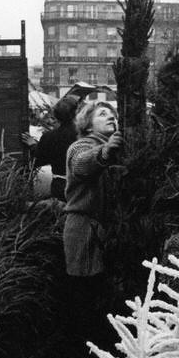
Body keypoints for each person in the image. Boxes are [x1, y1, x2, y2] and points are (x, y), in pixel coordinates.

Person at [64, 101, 124, 277]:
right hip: (84, 231)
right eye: (102, 114)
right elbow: (81, 164)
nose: (111, 117)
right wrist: (104, 151)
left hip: (108, 231)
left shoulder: (118, 149)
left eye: (112, 114)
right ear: (88, 127)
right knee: (87, 291)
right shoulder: (79, 146)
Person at [22, 94, 80, 201]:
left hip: (60, 186)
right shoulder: (83, 135)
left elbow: (39, 159)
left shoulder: (49, 137)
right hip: (82, 187)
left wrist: (33, 145)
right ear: (75, 114)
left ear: (56, 116)